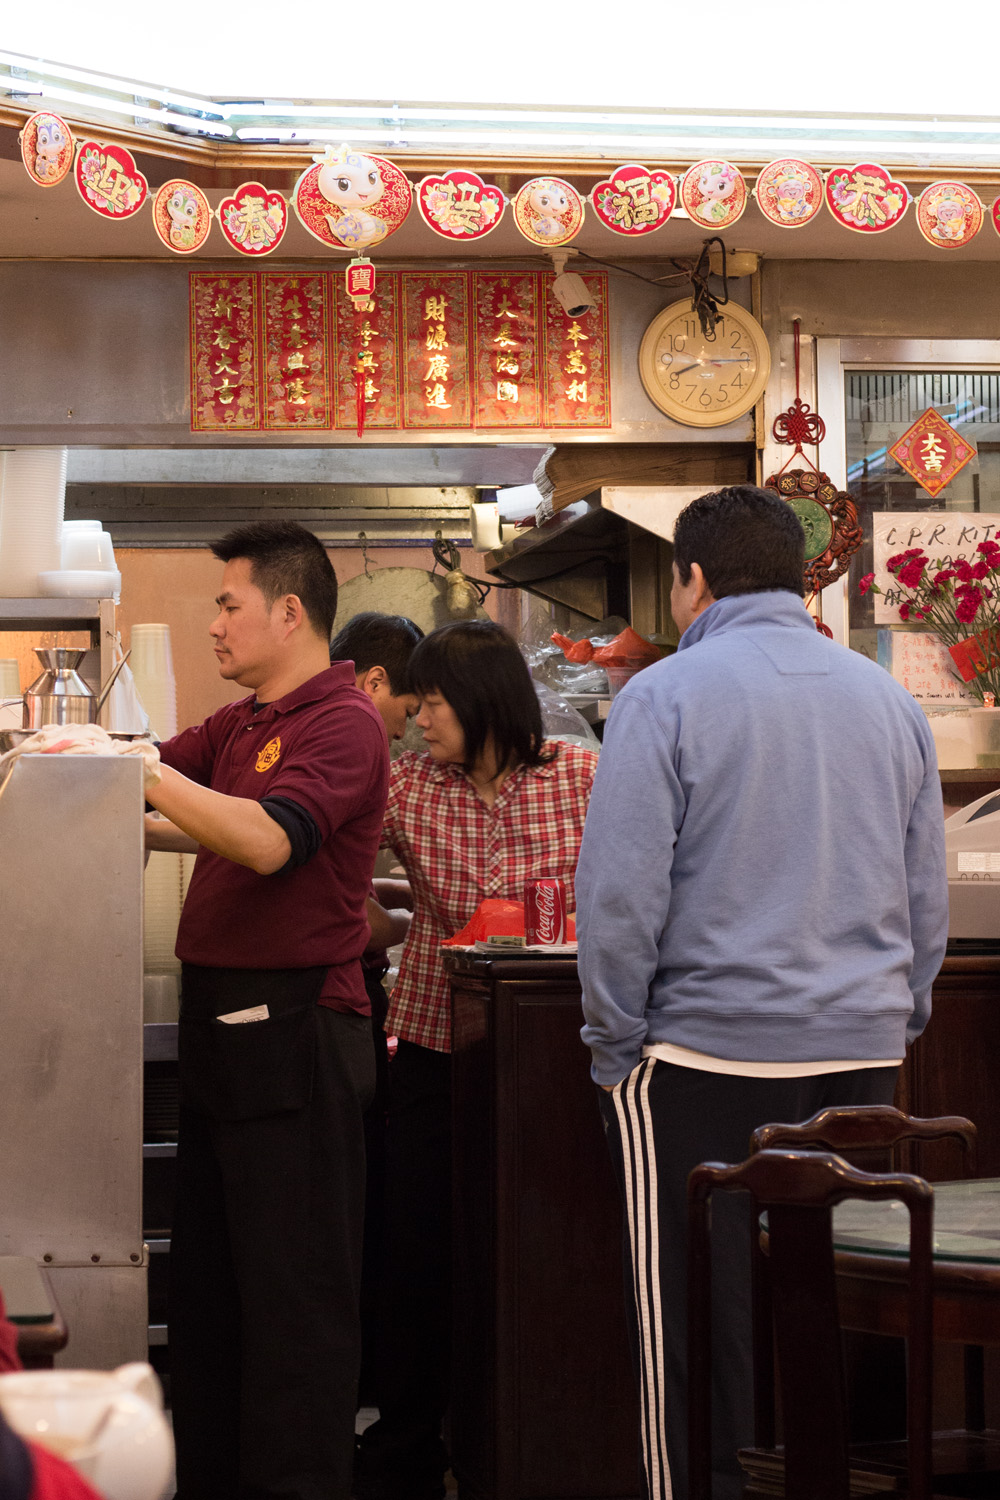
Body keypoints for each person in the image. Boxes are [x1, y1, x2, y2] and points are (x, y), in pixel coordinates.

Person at [576, 485, 949, 1500]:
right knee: (832, 1302)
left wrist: (614, 1049)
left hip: (701, 1054)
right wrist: (893, 1016)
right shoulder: (887, 699)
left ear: (688, 582)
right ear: (799, 575)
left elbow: (617, 895)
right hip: (862, 1052)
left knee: (694, 1319)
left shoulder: (661, 696)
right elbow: (927, 894)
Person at [143, 521, 390, 1500]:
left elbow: (269, 842)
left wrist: (137, 772)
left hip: (297, 1037)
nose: (212, 625)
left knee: (295, 1311)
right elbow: (162, 797)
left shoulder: (342, 722)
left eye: (227, 603)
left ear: (290, 613)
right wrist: (81, 764)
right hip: (221, 1026)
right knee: (212, 1303)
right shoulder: (242, 723)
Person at [357, 619, 599, 1500]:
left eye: (433, 702)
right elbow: (325, 849)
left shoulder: (584, 776)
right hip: (430, 1042)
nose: (417, 718)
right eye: (414, 700)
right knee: (420, 1248)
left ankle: (539, 1429)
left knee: (541, 1247)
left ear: (486, 700)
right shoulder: (406, 784)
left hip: (556, 1051)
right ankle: (410, 1442)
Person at [328, 609, 423, 1404]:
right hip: (339, 1003)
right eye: (409, 706)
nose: (411, 726)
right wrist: (412, 923)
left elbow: (348, 875)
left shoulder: (317, 732)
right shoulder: (354, 740)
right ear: (377, 682)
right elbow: (342, 901)